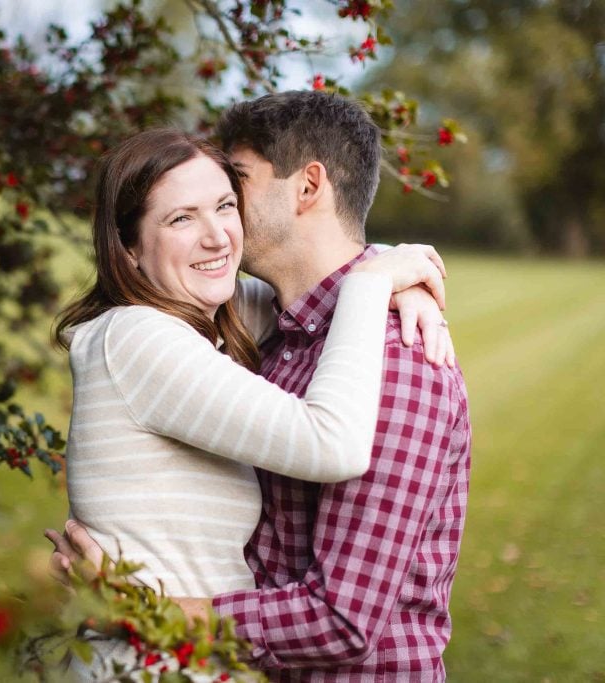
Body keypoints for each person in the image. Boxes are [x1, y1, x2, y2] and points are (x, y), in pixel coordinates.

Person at [49, 91, 472, 681]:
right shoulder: (154, 335)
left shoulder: (394, 355)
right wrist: (374, 280)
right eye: (180, 217)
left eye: (231, 192)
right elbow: (326, 326)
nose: (222, 232)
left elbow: (343, 620)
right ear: (129, 248)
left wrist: (383, 276)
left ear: (307, 187)